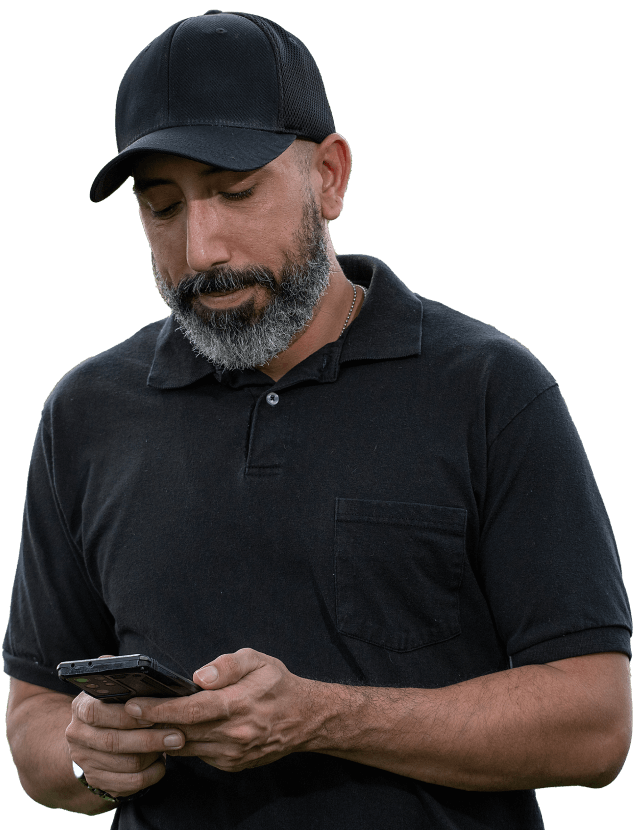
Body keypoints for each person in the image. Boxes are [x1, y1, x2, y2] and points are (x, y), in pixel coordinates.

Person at [4, 10, 632, 830]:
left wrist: (322, 718)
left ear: (330, 177)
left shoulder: (490, 389)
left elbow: (593, 724)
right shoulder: (86, 412)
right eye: (162, 207)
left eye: (235, 192)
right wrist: (89, 757)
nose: (202, 249)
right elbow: (35, 720)